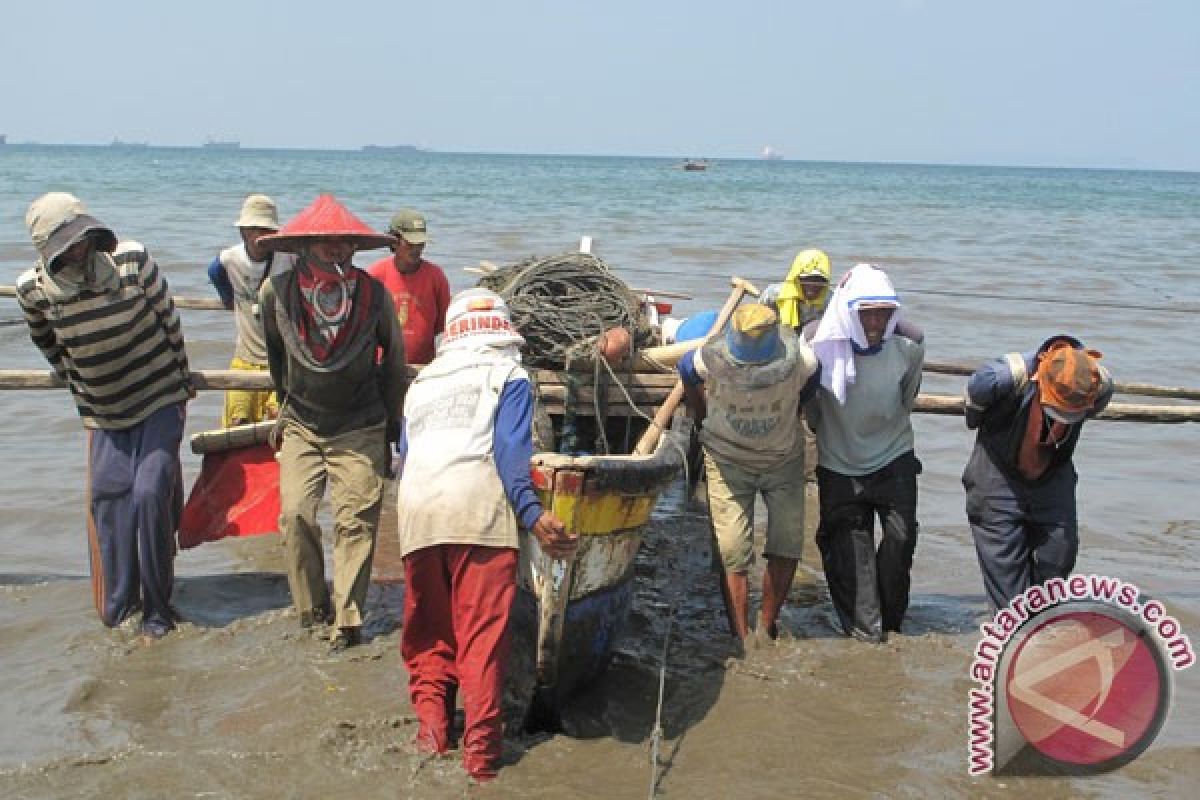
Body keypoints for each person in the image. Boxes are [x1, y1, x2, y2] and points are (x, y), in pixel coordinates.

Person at [396, 288, 576, 782]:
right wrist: (534, 514)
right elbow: (510, 453)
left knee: (430, 636)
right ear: (502, 331)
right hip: (477, 510)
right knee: (481, 641)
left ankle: (431, 738)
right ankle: (481, 761)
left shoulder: (423, 382)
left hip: (417, 512)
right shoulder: (509, 375)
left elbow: (406, 455)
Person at [16, 192, 194, 638]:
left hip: (159, 397)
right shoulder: (33, 290)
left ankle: (157, 608)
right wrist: (83, 390)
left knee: (151, 491)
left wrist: (182, 386)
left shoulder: (130, 261)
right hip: (104, 409)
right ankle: (120, 607)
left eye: (81, 241)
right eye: (66, 246)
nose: (77, 251)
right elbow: (50, 345)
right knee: (110, 499)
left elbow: (169, 321)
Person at [257, 194, 408, 651]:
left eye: (344, 243)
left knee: (356, 521)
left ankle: (348, 621)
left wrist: (391, 430)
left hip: (360, 421)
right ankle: (311, 609)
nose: (336, 250)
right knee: (295, 515)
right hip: (303, 420)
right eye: (326, 243)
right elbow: (276, 359)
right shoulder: (276, 294)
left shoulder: (374, 295)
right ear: (306, 247)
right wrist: (286, 409)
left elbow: (395, 363)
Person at [678, 304, 821, 643]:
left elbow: (810, 387)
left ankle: (767, 625)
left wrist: (791, 412)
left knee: (787, 544)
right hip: (727, 459)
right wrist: (702, 415)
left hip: (783, 459)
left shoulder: (803, 360)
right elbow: (686, 371)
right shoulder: (707, 359)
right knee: (732, 549)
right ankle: (741, 636)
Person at [805, 263, 924, 643]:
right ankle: (865, 635)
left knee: (900, 544)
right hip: (839, 462)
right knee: (850, 554)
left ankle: (892, 625)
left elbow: (908, 397)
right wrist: (828, 435)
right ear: (848, 311)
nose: (875, 322)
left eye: (883, 313)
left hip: (894, 455)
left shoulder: (909, 343)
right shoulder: (817, 343)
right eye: (866, 313)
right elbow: (810, 406)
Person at [963, 337, 1113, 610]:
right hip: (998, 473)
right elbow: (974, 411)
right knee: (1007, 577)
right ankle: (1013, 634)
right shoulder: (1001, 377)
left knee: (1059, 556)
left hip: (1053, 473)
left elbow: (1096, 408)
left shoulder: (1099, 384)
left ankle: (1042, 621)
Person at [206, 194, 297, 426]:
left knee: (279, 423)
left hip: (283, 360)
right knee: (237, 421)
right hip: (245, 358)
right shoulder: (229, 259)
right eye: (252, 230)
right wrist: (228, 298)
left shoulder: (290, 260)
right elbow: (214, 273)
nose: (258, 237)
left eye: (264, 231)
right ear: (243, 232)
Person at [365, 208, 450, 366]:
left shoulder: (436, 276)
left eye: (420, 243)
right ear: (394, 241)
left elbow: (442, 325)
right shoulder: (376, 275)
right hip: (381, 366)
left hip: (423, 366)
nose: (416, 249)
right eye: (410, 243)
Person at [760, 248, 833, 332]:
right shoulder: (774, 294)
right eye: (807, 278)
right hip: (778, 335)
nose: (813, 284)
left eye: (819, 279)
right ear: (797, 278)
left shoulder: (831, 301)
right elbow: (757, 315)